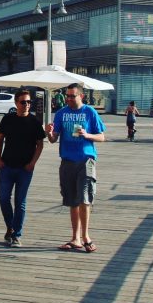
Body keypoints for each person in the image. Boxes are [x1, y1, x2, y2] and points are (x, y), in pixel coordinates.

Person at [45, 83, 105, 253]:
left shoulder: (89, 112)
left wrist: (88, 135)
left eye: (72, 96)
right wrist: (49, 132)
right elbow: (53, 139)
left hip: (86, 160)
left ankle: (86, 237)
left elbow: (102, 136)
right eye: (67, 96)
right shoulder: (62, 114)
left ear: (81, 96)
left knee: (84, 199)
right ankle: (75, 238)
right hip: (67, 161)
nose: (69, 99)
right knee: (72, 200)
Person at [0, 89, 45, 248]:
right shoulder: (8, 119)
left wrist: (33, 163)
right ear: (16, 103)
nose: (27, 105)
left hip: (25, 169)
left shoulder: (35, 122)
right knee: (3, 198)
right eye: (23, 102)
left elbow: (40, 144)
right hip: (6, 166)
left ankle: (16, 234)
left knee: (20, 202)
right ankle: (10, 226)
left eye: (29, 102)